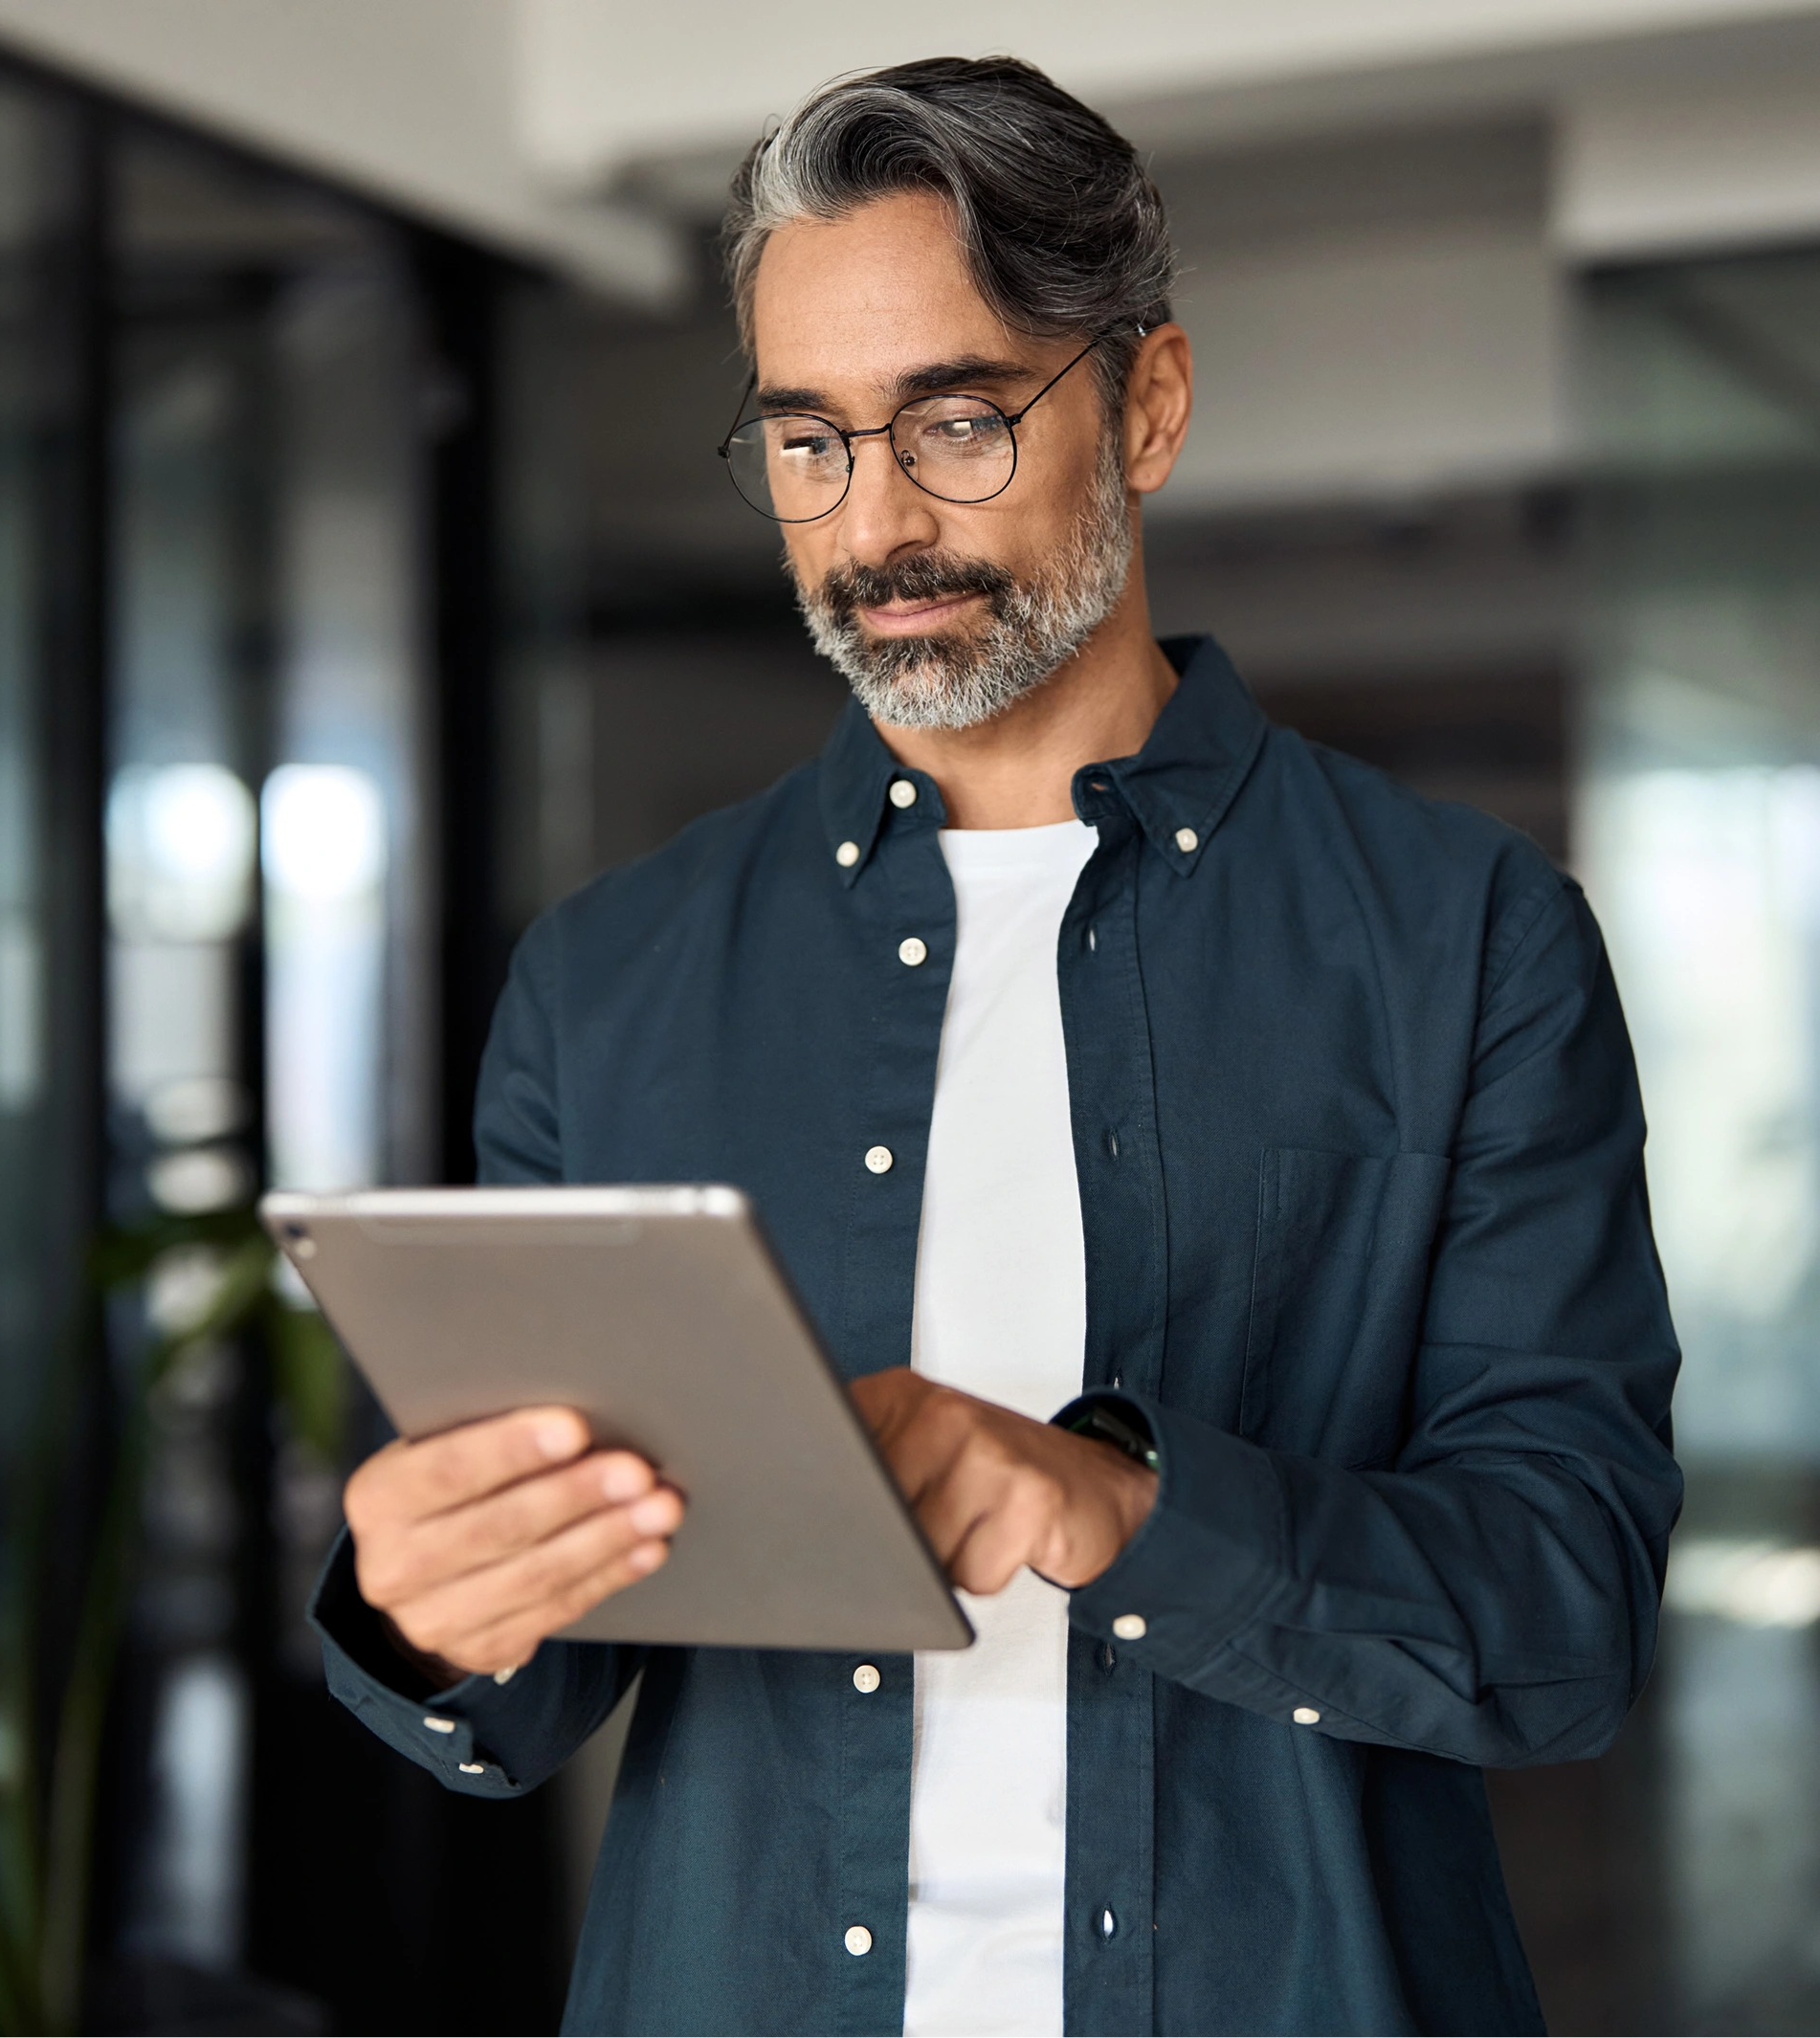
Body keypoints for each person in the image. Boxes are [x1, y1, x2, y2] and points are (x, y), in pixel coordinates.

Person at [311, 55, 1681, 2038]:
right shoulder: (608, 978)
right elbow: (530, 1694)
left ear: (1146, 402)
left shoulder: (1464, 940)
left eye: (953, 423)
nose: (874, 526)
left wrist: (1125, 1512)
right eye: (805, 441)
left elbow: (1561, 1625)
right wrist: (424, 1607)